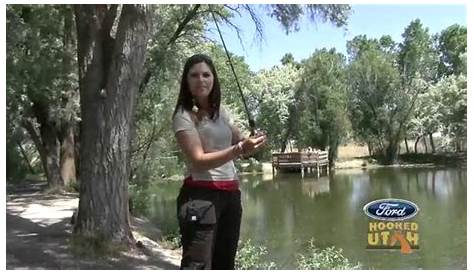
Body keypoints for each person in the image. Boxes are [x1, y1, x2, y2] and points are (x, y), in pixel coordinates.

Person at [171, 54, 267, 270]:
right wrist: (239, 148)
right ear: (186, 81)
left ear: (214, 79)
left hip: (231, 196)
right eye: (194, 75)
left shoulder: (221, 113)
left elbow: (241, 146)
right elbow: (198, 160)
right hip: (200, 197)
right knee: (198, 266)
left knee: (225, 265)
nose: (201, 79)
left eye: (206, 74)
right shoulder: (183, 115)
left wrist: (253, 142)